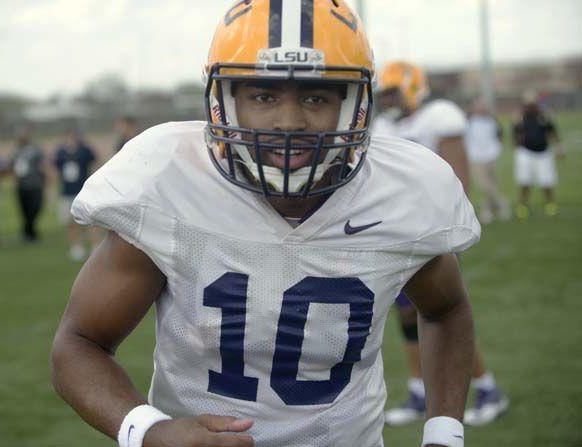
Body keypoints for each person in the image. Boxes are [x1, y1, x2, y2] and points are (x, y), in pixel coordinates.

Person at [51, 2, 479, 446]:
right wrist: (148, 429)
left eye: (316, 97)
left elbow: (446, 310)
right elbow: (79, 342)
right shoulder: (168, 180)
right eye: (263, 96)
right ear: (225, 101)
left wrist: (444, 433)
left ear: (353, 104)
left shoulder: (403, 191)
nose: (289, 121)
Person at [375, 61, 509, 427]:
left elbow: (458, 180)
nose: (389, 100)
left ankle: (487, 388)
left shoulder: (440, 117)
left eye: (393, 92)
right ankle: (419, 393)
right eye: (385, 94)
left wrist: (439, 229)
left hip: (430, 232)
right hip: (395, 232)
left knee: (440, 312)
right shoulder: (387, 125)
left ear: (414, 88)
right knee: (405, 314)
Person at [513, 90, 564, 219]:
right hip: (526, 152)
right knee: (524, 182)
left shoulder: (544, 116)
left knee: (547, 182)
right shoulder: (520, 116)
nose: (530, 106)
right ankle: (522, 206)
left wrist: (559, 148)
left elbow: (552, 131)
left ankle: (550, 205)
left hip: (544, 153)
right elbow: (516, 135)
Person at [54, 129, 99, 261]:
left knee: (91, 221)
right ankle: (76, 246)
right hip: (67, 192)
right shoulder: (61, 152)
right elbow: (55, 168)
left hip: (83, 191)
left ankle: (95, 245)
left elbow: (96, 161)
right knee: (70, 222)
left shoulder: (84, 150)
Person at [464, 98, 511, 224]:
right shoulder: (468, 121)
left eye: (483, 106)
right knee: (484, 184)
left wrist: (497, 148)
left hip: (491, 156)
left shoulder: (491, 120)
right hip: (475, 157)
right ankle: (501, 202)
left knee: (492, 183)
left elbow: (499, 134)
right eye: (479, 106)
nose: (481, 109)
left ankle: (487, 211)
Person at [10, 129, 46, 242]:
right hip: (22, 186)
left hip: (35, 185)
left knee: (35, 208)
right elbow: (10, 166)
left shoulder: (35, 150)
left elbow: (43, 164)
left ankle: (29, 230)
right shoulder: (15, 152)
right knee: (24, 210)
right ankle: (29, 233)